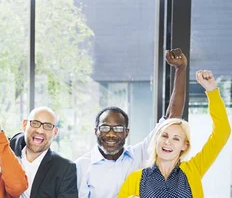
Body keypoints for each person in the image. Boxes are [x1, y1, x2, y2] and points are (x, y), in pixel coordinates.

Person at [75, 48, 188, 198]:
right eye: (105, 127)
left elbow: (172, 118)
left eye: (118, 128)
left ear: (126, 132)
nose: (111, 133)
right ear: (95, 130)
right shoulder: (81, 166)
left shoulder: (139, 155)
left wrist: (181, 69)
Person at [0, 52, 77, 197]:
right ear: (24, 124)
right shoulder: (9, 149)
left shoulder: (64, 169)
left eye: (47, 126)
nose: (40, 130)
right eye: (36, 123)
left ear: (55, 132)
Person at [118, 70, 231, 198]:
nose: (168, 142)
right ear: (156, 140)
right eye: (164, 136)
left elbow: (223, 132)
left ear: (185, 146)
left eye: (176, 139)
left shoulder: (193, 169)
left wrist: (212, 91)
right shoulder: (135, 179)